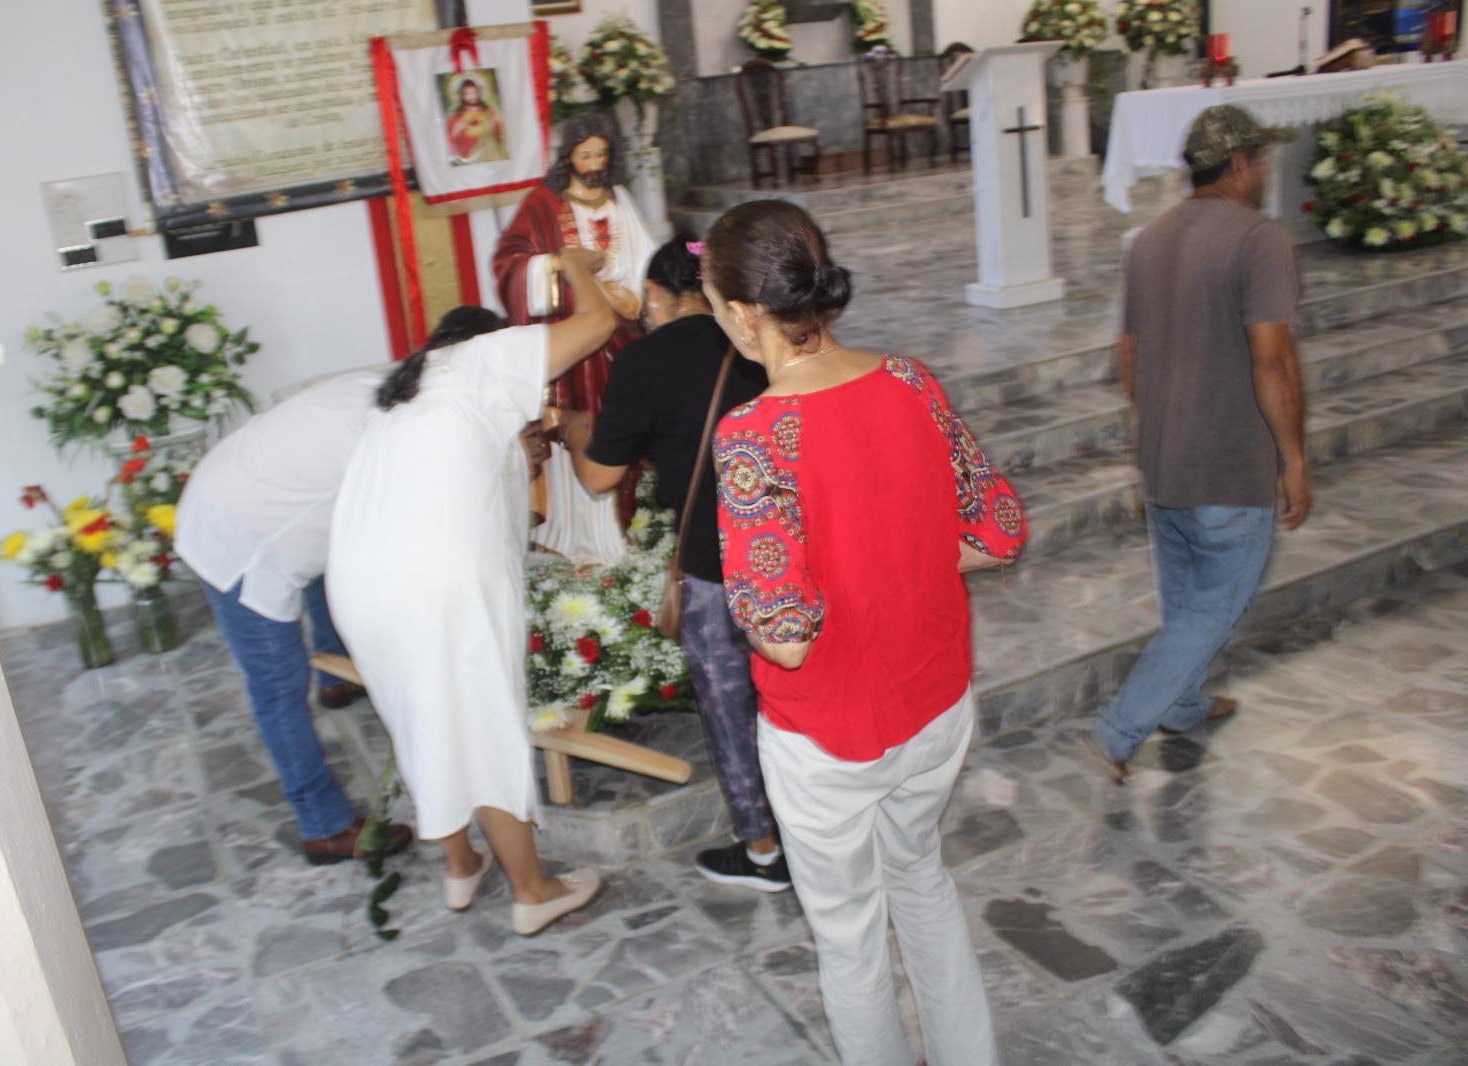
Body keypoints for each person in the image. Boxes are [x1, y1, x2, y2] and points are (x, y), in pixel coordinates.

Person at [701, 200, 1025, 1065]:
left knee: (848, 937)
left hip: (831, 733)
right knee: (921, 878)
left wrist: (738, 594)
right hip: (934, 701)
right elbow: (997, 532)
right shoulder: (912, 381)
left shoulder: (756, 436)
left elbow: (787, 635)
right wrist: (893, 558)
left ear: (742, 312)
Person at [325, 250, 615, 936]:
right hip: (437, 591)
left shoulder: (405, 398)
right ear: (494, 342)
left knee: (422, 719)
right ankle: (533, 889)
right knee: (480, 723)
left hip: (361, 587)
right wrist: (575, 266)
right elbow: (597, 322)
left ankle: (462, 868)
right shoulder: (483, 360)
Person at [551, 236, 789, 892]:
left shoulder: (645, 361)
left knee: (728, 706)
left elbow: (600, 477)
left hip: (714, 568)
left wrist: (575, 430)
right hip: (787, 553)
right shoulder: (766, 338)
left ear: (656, 295)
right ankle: (818, 825)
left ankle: (765, 850)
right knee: (794, 698)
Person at [1091, 105, 1310, 783]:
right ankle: (1121, 725)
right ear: (1241, 164)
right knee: (1217, 603)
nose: (1267, 171)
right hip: (1228, 461)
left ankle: (1182, 704)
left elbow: (1128, 354)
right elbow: (1271, 358)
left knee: (1187, 599)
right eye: (1263, 160)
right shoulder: (1259, 238)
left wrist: (1159, 426)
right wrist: (1294, 459)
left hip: (1163, 457)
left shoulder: (1149, 239)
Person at [174, 370, 415, 865]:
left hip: (228, 489)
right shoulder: (412, 431)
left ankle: (336, 677)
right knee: (277, 686)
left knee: (326, 563)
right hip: (237, 538)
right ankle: (323, 826)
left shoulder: (387, 378)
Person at [492, 112, 656, 566]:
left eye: (600, 153)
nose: (593, 162)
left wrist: (634, 292)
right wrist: (562, 266)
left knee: (625, 423)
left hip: (623, 327)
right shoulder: (544, 203)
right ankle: (578, 533)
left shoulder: (619, 197)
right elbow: (511, 263)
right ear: (568, 156)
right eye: (585, 154)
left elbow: (645, 255)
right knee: (577, 424)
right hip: (575, 340)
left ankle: (627, 527)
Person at [445, 77, 506, 165]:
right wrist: (458, 130)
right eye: (468, 94)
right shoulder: (456, 116)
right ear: (462, 95)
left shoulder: (489, 111)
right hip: (471, 157)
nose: (472, 97)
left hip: (492, 155)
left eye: (474, 92)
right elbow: (451, 140)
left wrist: (493, 124)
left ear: (479, 93)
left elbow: (500, 132)